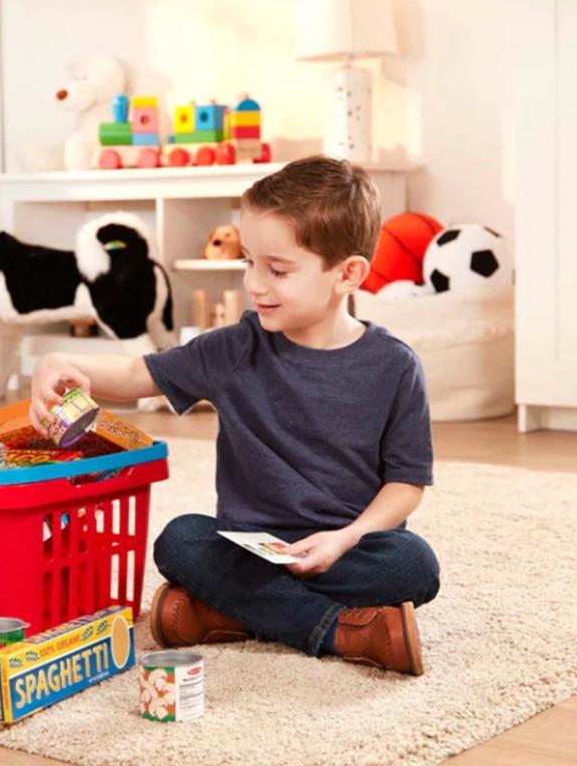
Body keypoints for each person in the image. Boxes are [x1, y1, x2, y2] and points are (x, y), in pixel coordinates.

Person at [29, 156, 440, 676]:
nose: (255, 284)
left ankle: (228, 612)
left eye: (278, 269)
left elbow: (406, 484)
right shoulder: (234, 348)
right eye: (249, 261)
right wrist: (61, 361)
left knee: (414, 565)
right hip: (248, 550)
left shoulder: (394, 366)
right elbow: (138, 372)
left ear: (348, 274)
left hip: (346, 550)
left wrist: (345, 539)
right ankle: (340, 630)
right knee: (179, 541)